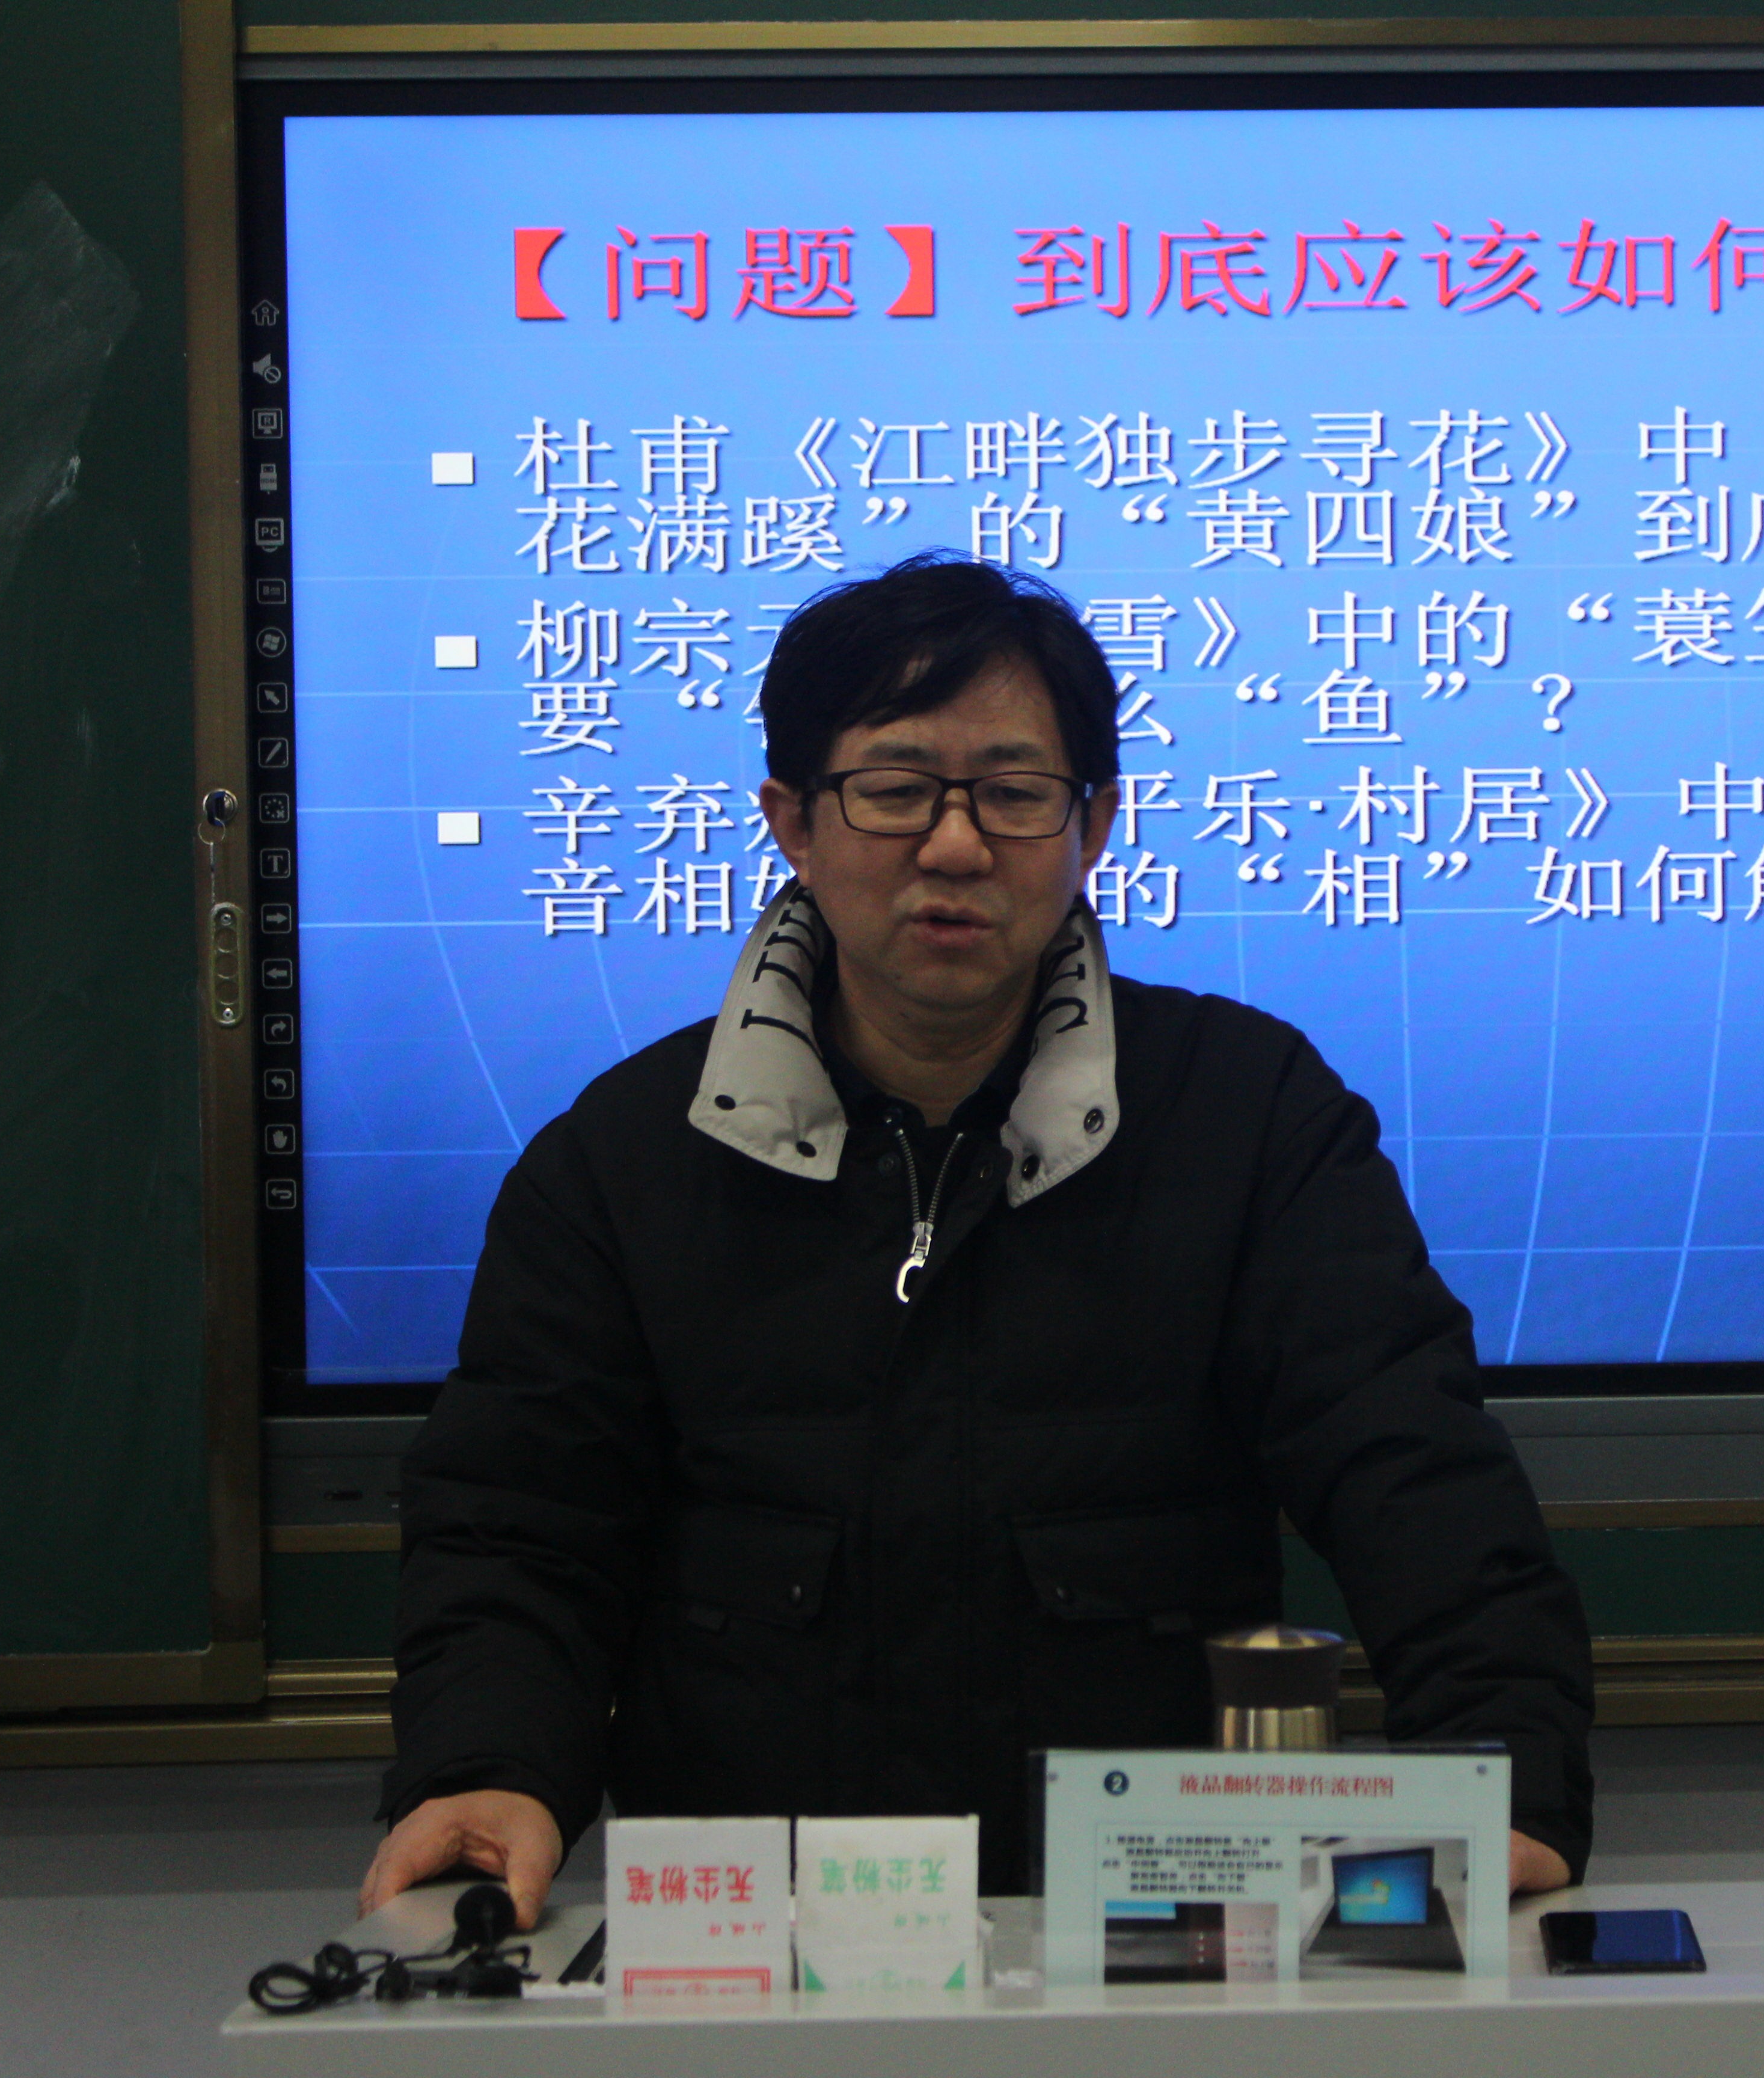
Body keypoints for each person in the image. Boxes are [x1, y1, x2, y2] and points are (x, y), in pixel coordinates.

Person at [360, 553, 1593, 1926]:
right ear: (792, 821)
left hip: (1151, 1939)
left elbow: (1410, 1467)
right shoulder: (627, 1158)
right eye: (895, 789)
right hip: (758, 1951)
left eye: (1014, 794)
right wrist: (486, 1767)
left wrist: (1502, 1771)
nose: (955, 847)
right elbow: (521, 1528)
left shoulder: (1247, 1119)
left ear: (1095, 824)